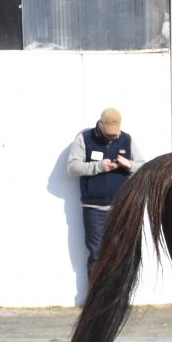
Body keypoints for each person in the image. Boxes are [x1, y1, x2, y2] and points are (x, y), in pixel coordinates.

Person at [66, 108, 145, 278]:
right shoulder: (84, 138)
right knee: (96, 255)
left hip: (121, 207)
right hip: (93, 208)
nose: (112, 137)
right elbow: (72, 167)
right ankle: (96, 302)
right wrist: (99, 166)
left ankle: (115, 300)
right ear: (100, 124)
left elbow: (143, 167)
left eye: (114, 134)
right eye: (108, 134)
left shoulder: (127, 139)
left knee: (120, 254)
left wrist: (129, 165)